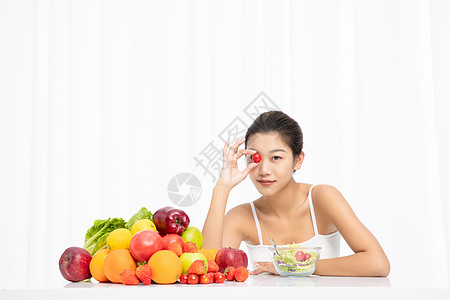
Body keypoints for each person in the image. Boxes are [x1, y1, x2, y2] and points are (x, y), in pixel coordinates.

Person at [202, 110, 390, 277]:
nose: (264, 169)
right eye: (255, 158)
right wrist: (222, 188)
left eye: (276, 157)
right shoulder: (242, 216)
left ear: (298, 160)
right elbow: (207, 268)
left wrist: (293, 267)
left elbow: (377, 263)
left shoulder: (322, 198)